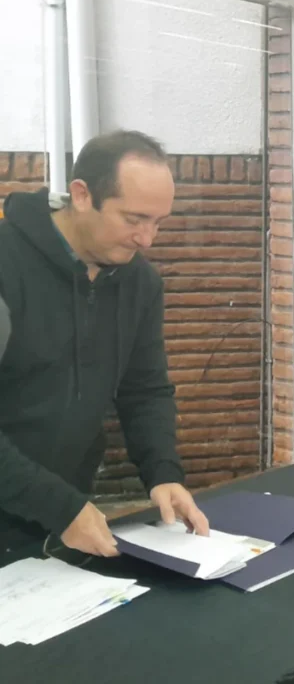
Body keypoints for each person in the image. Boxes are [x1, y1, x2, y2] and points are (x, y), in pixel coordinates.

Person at [0, 129, 209, 560]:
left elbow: (144, 389)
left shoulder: (140, 282)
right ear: (81, 195)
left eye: (158, 222)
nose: (147, 239)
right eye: (134, 219)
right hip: (42, 503)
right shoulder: (7, 266)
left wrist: (163, 472)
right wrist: (58, 506)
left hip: (60, 512)